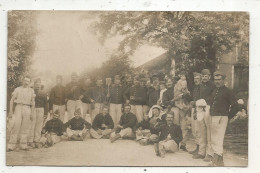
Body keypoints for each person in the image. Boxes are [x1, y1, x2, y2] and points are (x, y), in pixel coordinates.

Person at [209, 71, 239, 166]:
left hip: (222, 117)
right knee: (214, 138)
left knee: (218, 138)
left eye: (219, 80)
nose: (217, 81)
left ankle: (215, 160)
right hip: (213, 116)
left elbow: (235, 106)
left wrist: (228, 116)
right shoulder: (214, 90)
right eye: (215, 80)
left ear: (223, 80)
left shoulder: (228, 91)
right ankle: (220, 161)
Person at [7, 76, 35, 151]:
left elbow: (33, 103)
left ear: (29, 83)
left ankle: (23, 145)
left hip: (27, 108)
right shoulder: (17, 89)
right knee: (16, 125)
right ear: (22, 81)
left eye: (28, 81)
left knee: (25, 127)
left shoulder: (31, 91)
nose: (26, 83)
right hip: (18, 107)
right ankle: (11, 145)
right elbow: (11, 100)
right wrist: (10, 111)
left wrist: (32, 113)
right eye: (25, 81)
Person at [196, 69, 215, 161]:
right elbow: (196, 96)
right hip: (199, 108)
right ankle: (201, 152)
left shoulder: (213, 85)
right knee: (201, 131)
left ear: (209, 77)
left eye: (206, 76)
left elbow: (213, 97)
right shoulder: (199, 86)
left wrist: (205, 102)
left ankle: (209, 153)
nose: (204, 78)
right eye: (203, 76)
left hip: (208, 108)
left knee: (209, 132)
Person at [28, 78, 49, 148]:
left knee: (39, 125)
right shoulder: (31, 91)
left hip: (41, 109)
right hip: (33, 109)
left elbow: (46, 103)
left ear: (40, 85)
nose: (37, 85)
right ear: (34, 84)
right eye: (36, 84)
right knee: (32, 124)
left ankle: (36, 140)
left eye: (39, 84)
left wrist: (46, 113)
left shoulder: (43, 92)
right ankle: (30, 140)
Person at [188, 72, 201, 156]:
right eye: (195, 79)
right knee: (194, 130)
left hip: (200, 110)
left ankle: (200, 149)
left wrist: (195, 102)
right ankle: (197, 148)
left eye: (197, 79)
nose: (196, 80)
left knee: (198, 130)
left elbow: (203, 100)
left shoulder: (202, 88)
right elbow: (192, 99)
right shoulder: (195, 88)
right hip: (194, 109)